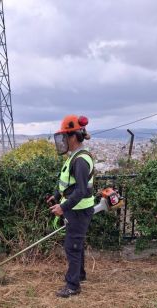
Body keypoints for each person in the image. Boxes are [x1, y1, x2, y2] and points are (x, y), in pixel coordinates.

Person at [48, 115, 95, 298]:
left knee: (72, 246)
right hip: (75, 209)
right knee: (76, 244)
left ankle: (73, 285)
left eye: (65, 136)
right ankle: (79, 275)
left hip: (79, 210)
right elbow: (68, 183)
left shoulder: (81, 160)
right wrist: (56, 195)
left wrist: (63, 207)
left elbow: (81, 190)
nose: (63, 140)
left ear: (73, 137)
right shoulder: (74, 157)